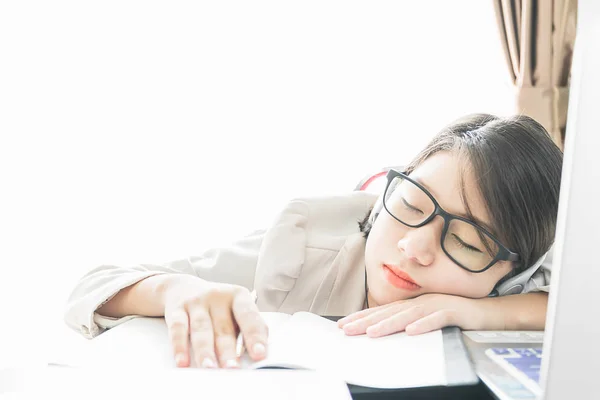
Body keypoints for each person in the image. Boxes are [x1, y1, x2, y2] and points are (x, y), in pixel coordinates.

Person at [65, 113, 562, 370]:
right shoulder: (304, 243)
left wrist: (488, 313)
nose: (414, 246)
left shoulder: (527, 280)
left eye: (469, 244)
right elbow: (95, 285)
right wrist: (175, 290)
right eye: (411, 204)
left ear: (512, 272)